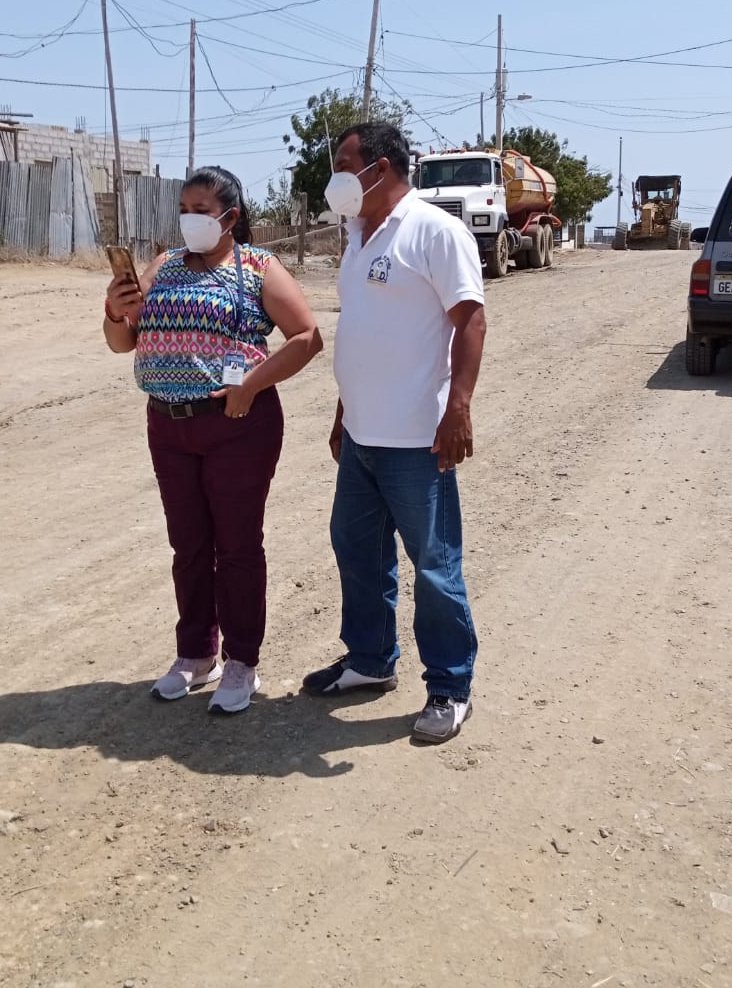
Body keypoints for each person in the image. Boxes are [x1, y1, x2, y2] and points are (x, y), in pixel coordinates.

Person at [103, 166, 323, 714]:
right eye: (184, 209)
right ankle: (196, 654)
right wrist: (114, 309)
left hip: (237, 423)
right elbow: (123, 342)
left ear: (231, 217)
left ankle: (242, 660)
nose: (189, 219)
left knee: (237, 546)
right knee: (189, 545)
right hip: (168, 425)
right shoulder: (165, 266)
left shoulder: (258, 268)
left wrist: (252, 384)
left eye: (201, 210)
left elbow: (307, 337)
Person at [301, 122, 487, 744]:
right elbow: (363, 331)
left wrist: (458, 407)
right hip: (362, 434)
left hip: (416, 439)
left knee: (433, 564)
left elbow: (470, 320)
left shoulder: (434, 230)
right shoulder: (357, 236)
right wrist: (342, 411)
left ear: (379, 168)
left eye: (343, 162)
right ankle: (371, 659)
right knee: (357, 549)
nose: (336, 175)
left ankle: (451, 686)